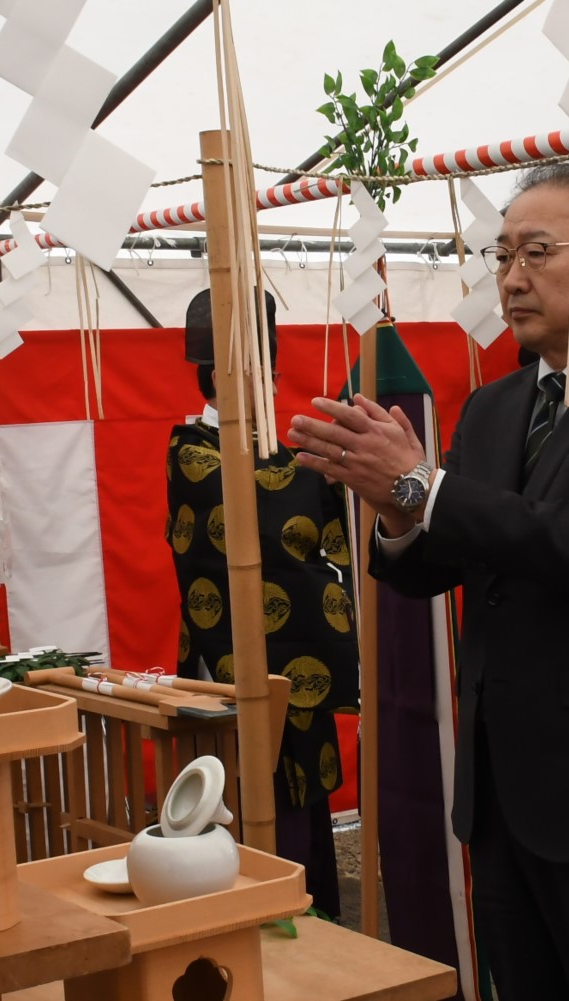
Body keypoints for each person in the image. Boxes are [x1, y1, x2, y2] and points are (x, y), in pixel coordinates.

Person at [286, 163, 569, 1001]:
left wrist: (424, 486)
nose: (511, 277)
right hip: (502, 793)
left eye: (537, 251)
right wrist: (393, 510)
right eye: (500, 255)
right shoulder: (494, 406)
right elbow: (439, 567)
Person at [166, 288, 359, 921]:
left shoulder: (286, 448)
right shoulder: (191, 449)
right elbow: (257, 509)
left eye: (267, 375)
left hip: (300, 650)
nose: (263, 387)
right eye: (249, 374)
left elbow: (331, 532)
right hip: (228, 661)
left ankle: (317, 924)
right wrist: (327, 468)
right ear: (214, 377)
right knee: (243, 796)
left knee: (302, 812)